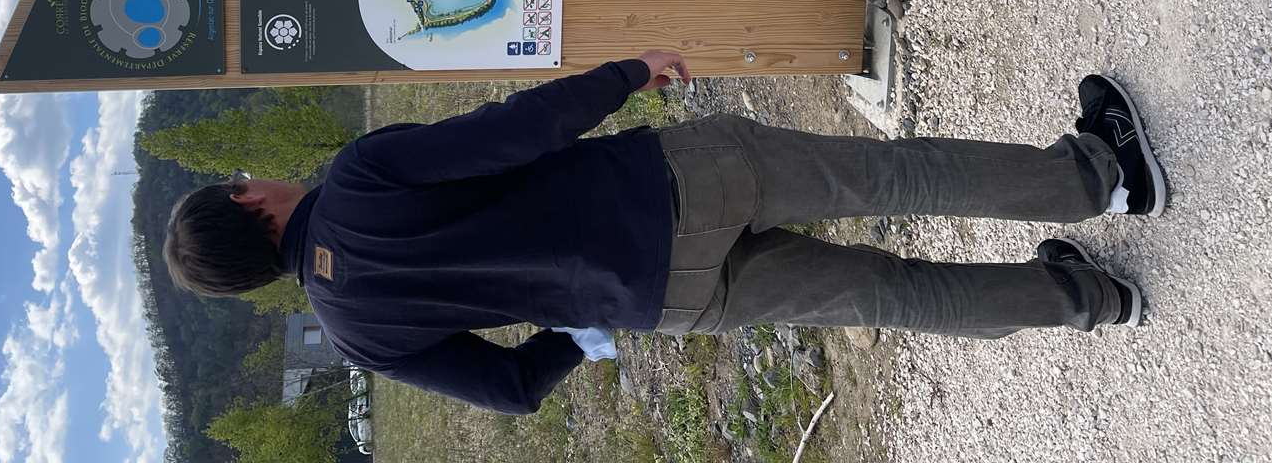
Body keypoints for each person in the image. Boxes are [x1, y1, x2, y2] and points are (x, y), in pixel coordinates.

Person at [161, 51, 1165, 415]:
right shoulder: (355, 180)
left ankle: (1082, 298)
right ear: (251, 207)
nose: (258, 176)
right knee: (886, 176)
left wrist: (580, 326)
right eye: (244, 180)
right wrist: (622, 76)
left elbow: (510, 389)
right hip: (669, 187)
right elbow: (508, 135)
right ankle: (1096, 176)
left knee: (885, 292)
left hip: (662, 301)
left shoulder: (356, 336)